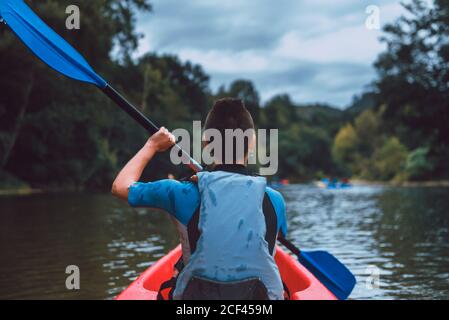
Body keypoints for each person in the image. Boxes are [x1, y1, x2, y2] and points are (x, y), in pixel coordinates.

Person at [112, 98, 288, 300]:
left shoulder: (180, 193)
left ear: (206, 142)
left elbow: (120, 187)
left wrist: (151, 145)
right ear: (252, 142)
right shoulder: (275, 200)